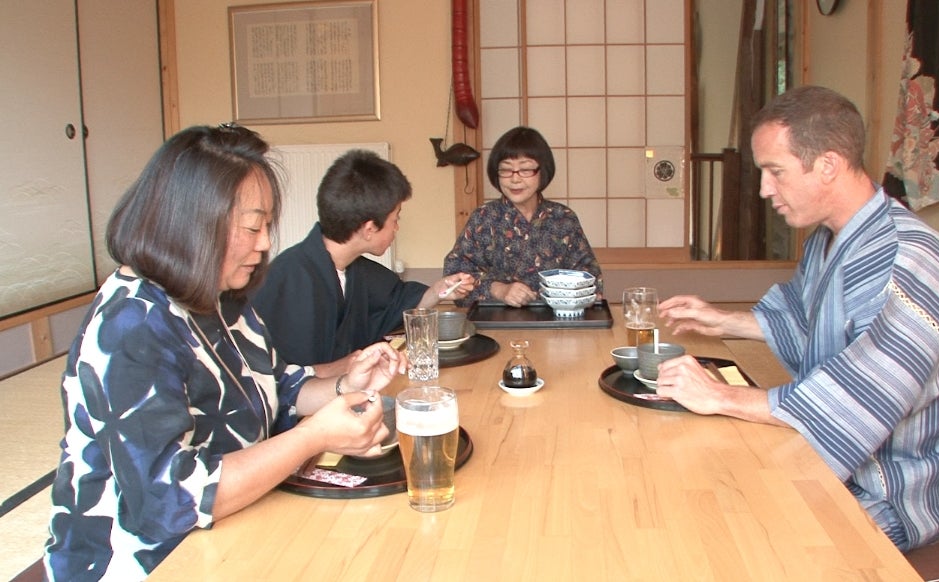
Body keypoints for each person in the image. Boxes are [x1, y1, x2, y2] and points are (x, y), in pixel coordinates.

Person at [44, 125, 407, 580]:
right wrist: (313, 437)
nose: (265, 243)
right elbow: (172, 498)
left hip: (236, 523)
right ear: (191, 221)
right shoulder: (131, 323)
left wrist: (344, 384)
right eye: (252, 226)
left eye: (266, 226)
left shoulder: (220, 296)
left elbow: (279, 385)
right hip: (147, 560)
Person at [655, 86, 939, 552]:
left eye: (775, 171)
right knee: (693, 493)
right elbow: (810, 324)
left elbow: (861, 397)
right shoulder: (831, 240)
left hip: (890, 488)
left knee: (732, 542)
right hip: (830, 460)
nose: (765, 189)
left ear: (827, 164)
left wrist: (723, 396)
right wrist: (723, 321)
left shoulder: (908, 258)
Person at [252, 150, 473, 370]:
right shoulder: (289, 279)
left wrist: (440, 290)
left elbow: (398, 303)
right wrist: (356, 364)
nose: (397, 227)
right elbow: (287, 378)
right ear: (369, 229)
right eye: (395, 219)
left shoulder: (356, 269)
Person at [443, 126, 603, 307]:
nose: (515, 179)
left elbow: (589, 273)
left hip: (556, 323)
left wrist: (579, 294)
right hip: (493, 323)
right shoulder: (484, 217)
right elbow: (454, 275)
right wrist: (498, 290)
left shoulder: (563, 218)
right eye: (506, 170)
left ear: (542, 171)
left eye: (525, 169)